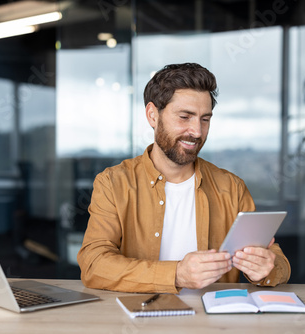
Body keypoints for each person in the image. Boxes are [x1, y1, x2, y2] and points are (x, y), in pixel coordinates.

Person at [77, 63, 290, 293]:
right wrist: (177, 274)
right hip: (138, 324)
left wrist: (267, 267)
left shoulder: (232, 188)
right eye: (185, 117)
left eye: (205, 119)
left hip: (215, 327)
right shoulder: (113, 183)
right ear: (152, 115)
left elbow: (277, 259)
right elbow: (93, 264)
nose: (197, 131)